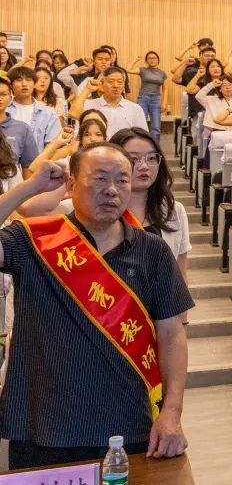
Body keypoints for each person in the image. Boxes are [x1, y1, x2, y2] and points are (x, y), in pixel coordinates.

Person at [0, 146, 192, 469]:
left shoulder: (153, 251)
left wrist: (172, 412)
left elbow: (172, 334)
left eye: (122, 180)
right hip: (41, 428)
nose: (112, 190)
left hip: (128, 427)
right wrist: (29, 187)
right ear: (71, 184)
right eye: (100, 179)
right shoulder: (33, 241)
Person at [6, 66, 60, 152]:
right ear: (11, 85)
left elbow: (52, 145)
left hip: (38, 158)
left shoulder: (48, 113)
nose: (24, 84)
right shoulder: (4, 109)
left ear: (34, 84)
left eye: (28, 80)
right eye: (19, 80)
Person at [0, 77, 40, 176]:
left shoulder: (22, 128)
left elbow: (29, 168)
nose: (0, 98)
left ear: (10, 98)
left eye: (3, 94)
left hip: (11, 183)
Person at [130, 51, 166, 140]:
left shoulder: (162, 73)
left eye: (154, 58)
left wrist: (164, 103)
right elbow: (128, 70)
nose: (152, 60)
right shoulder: (143, 70)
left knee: (156, 127)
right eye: (149, 58)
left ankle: (155, 147)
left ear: (158, 60)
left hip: (156, 100)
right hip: (143, 99)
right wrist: (135, 60)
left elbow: (165, 89)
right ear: (146, 61)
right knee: (140, 125)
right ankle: (141, 145)